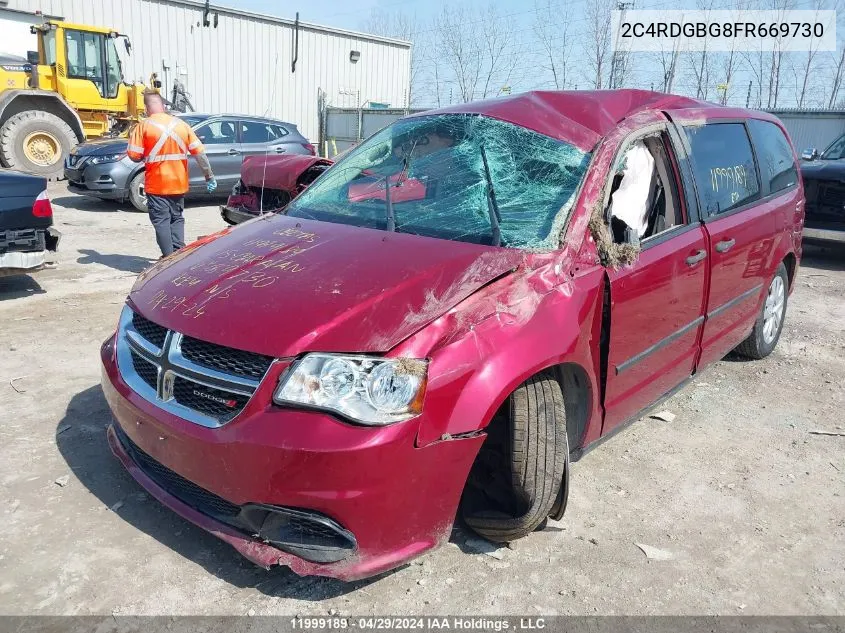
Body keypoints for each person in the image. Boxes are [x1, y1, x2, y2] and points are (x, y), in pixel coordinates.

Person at [127, 91, 217, 257]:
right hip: (178, 183)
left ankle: (168, 258)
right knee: (177, 218)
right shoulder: (182, 125)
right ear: (163, 106)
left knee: (161, 221)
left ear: (147, 108)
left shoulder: (143, 126)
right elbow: (200, 154)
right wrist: (209, 176)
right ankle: (179, 255)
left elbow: (133, 155)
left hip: (157, 184)